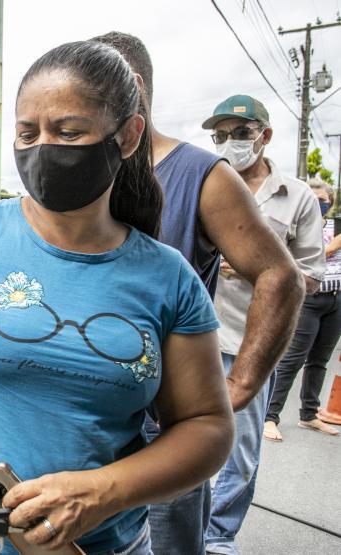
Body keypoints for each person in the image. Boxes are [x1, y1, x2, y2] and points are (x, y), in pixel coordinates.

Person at [0, 41, 234, 555]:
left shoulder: (168, 277)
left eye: (68, 131)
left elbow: (207, 427)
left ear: (127, 136)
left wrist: (101, 493)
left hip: (103, 546)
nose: (42, 147)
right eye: (26, 132)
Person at [93, 32, 305, 555]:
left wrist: (240, 386)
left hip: (165, 429)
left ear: (133, 87)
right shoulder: (82, 172)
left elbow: (281, 277)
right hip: (92, 422)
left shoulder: (202, 175)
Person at [202, 94, 325, 555]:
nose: (228, 142)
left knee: (241, 448)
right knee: (176, 436)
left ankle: (217, 537)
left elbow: (310, 277)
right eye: (220, 135)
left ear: (264, 135)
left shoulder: (296, 198)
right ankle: (176, 527)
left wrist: (260, 266)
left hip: (254, 341)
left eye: (239, 133)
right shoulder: (205, 185)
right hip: (196, 336)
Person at [264, 178, 341, 440]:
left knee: (320, 360)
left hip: (335, 298)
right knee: (292, 360)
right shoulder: (301, 224)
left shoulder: (335, 225)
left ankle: (309, 414)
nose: (320, 205)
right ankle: (269, 417)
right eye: (315, 199)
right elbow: (315, 254)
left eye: (324, 201)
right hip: (308, 299)